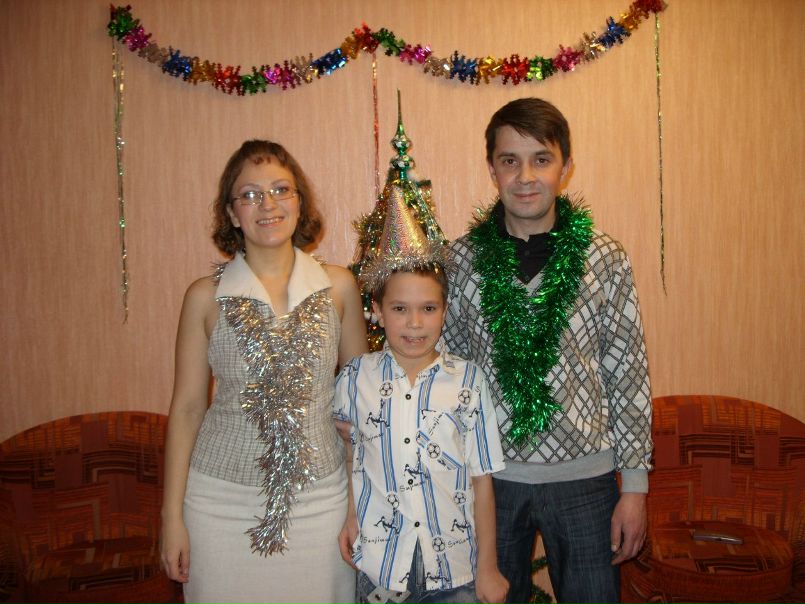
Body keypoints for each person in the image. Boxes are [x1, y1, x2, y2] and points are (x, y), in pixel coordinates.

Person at [442, 98, 653, 604]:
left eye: (541, 159)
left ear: (565, 166)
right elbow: (445, 372)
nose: (525, 176)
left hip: (586, 481)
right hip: (489, 481)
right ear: (492, 168)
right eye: (509, 160)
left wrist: (634, 488)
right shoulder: (461, 260)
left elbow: (627, 372)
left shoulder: (604, 258)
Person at [160, 139, 367, 603]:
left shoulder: (338, 287)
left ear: (299, 201)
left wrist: (359, 504)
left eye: (280, 189)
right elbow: (188, 408)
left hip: (321, 503)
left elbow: (359, 407)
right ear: (232, 214)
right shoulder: (203, 297)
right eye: (250, 194)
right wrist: (171, 517)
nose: (268, 204)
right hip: (218, 505)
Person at [333, 188, 510, 604]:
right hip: (380, 565)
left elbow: (482, 479)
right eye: (399, 309)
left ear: (444, 311)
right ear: (377, 310)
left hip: (454, 571)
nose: (415, 323)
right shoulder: (355, 378)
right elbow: (348, 454)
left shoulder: (468, 381)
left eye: (428, 309)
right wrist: (350, 514)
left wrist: (487, 567)